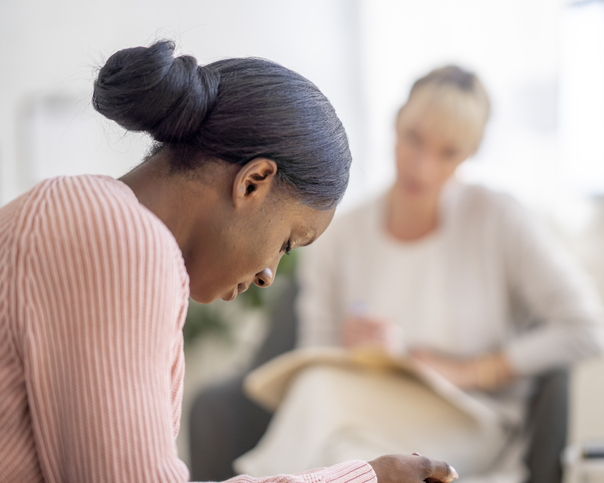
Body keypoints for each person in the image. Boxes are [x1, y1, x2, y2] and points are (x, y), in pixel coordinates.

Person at [0, 41, 458, 483]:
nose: (267, 275)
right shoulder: (118, 239)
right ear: (254, 182)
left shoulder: (81, 212)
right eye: (285, 243)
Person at [235, 66, 604, 483]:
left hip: (473, 419)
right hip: (367, 408)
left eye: (448, 152)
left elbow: (588, 329)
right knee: (344, 450)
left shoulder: (498, 219)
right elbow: (315, 351)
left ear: (470, 153)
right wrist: (351, 348)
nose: (423, 166)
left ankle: (253, 476)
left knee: (325, 398)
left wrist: (468, 371)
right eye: (413, 139)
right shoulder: (341, 233)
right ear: (396, 122)